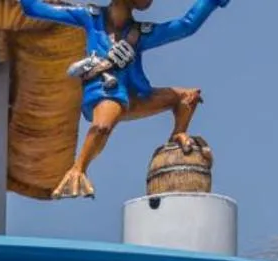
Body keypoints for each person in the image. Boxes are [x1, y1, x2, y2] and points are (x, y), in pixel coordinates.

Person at [18, 0, 233, 199]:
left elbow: (186, 25)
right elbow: (34, 8)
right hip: (107, 92)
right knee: (101, 126)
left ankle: (178, 131)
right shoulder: (89, 17)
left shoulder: (140, 34)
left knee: (187, 97)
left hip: (135, 97)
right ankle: (78, 169)